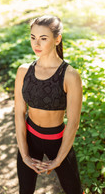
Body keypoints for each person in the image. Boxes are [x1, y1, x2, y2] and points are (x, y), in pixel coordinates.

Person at [14, 15, 84, 194]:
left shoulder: (70, 75)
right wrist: (24, 154)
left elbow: (73, 122)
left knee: (74, 190)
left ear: (57, 39)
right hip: (30, 139)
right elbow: (19, 114)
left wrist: (59, 159)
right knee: (25, 190)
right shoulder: (23, 71)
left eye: (43, 38)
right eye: (33, 37)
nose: (36, 44)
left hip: (58, 141)